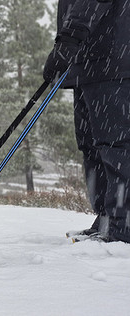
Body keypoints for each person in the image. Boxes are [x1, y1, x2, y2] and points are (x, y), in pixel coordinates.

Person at [43, 0, 130, 242]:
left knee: (116, 146)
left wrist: (70, 38)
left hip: (112, 60)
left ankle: (123, 226)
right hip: (87, 63)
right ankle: (106, 219)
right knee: (91, 146)